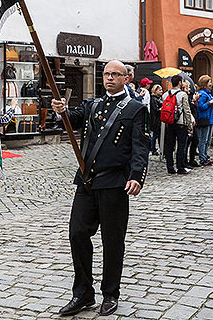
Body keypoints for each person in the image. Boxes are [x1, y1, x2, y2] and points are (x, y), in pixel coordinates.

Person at [51, 60, 149, 317]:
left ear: (126, 78)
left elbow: (140, 146)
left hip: (115, 182)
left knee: (112, 240)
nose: (109, 78)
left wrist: (137, 175)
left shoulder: (136, 109)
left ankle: (110, 293)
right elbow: (71, 120)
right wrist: (61, 110)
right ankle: (83, 292)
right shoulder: (92, 104)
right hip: (87, 181)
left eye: (115, 74)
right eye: (106, 74)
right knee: (77, 233)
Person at [161, 75, 192, 174]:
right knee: (181, 145)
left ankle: (170, 167)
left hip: (169, 122)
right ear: (179, 82)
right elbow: (186, 111)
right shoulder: (182, 94)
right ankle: (180, 167)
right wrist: (190, 125)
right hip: (181, 122)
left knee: (170, 145)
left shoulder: (165, 94)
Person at [196, 75, 213, 167]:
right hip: (205, 119)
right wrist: (210, 102)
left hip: (210, 119)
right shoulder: (202, 94)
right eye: (209, 82)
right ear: (204, 84)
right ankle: (202, 158)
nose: (211, 84)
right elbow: (201, 107)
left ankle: (205, 156)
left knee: (208, 140)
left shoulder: (208, 93)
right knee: (203, 140)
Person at [148, 84, 163, 155]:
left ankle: (159, 148)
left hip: (158, 119)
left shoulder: (159, 98)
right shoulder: (153, 99)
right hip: (155, 120)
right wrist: (161, 109)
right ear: (155, 91)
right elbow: (155, 109)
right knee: (154, 135)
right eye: (159, 90)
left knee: (157, 135)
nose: (161, 91)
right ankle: (153, 149)